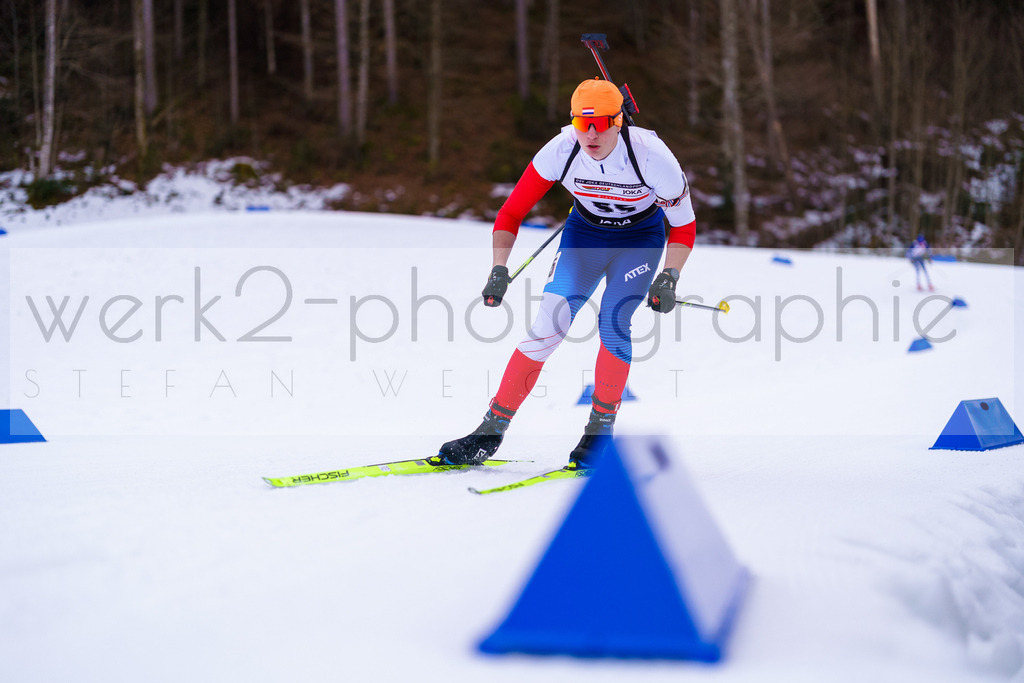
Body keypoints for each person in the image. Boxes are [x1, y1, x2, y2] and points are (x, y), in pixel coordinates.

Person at [432, 78, 696, 471]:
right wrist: (498, 268)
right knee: (547, 326)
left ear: (619, 121)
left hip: (640, 240)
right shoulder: (561, 149)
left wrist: (670, 276)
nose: (590, 133)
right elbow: (511, 213)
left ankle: (599, 433)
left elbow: (684, 226)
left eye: (601, 123)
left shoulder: (653, 157)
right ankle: (489, 432)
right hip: (585, 235)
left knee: (614, 321)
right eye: (581, 122)